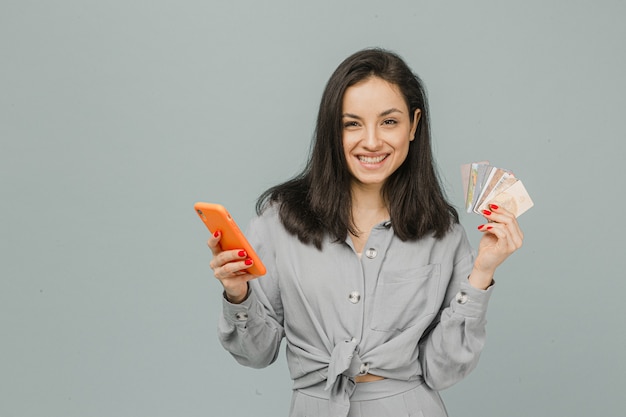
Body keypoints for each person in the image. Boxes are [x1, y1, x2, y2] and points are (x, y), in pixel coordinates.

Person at [207, 48, 524, 417]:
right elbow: (255, 353)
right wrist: (237, 293)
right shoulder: (280, 220)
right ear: (332, 129)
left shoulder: (442, 232)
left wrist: (482, 274)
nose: (371, 142)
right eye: (352, 124)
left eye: (389, 122)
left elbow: (443, 369)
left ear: (414, 125)